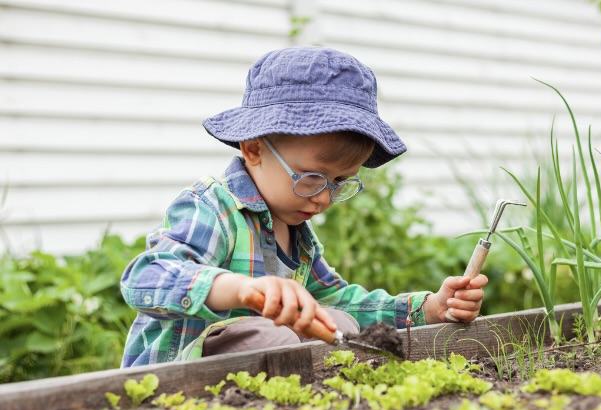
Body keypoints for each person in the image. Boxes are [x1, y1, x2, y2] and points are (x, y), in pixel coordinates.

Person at [120, 46, 488, 367]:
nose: (324, 197)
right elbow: (144, 277)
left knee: (339, 323)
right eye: (310, 178)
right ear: (253, 149)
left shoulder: (298, 234)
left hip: (261, 364)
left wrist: (426, 309)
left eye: (340, 183)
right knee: (273, 339)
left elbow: (337, 299)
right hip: (178, 376)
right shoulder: (211, 208)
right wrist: (238, 289)